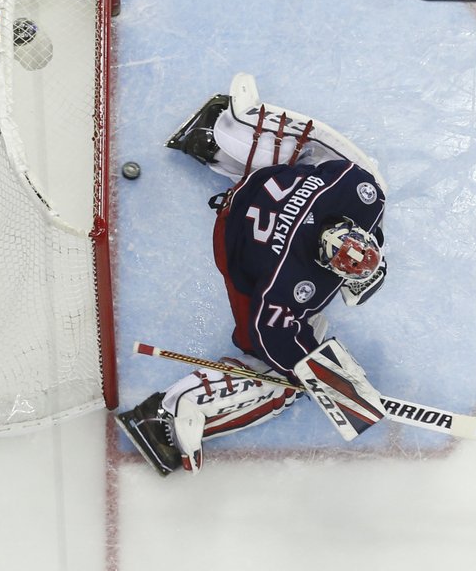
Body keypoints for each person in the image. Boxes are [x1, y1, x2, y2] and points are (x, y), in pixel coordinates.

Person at [116, 74, 389, 477]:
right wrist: (312, 372)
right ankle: (164, 416)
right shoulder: (288, 280)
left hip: (257, 189)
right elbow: (269, 335)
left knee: (298, 166)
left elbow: (328, 157)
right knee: (273, 368)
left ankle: (219, 139)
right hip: (233, 239)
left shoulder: (358, 190)